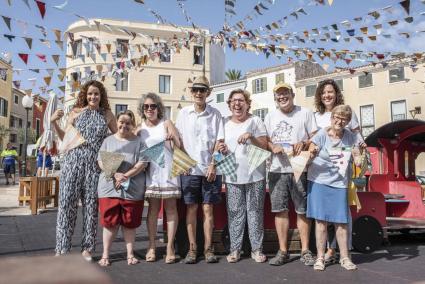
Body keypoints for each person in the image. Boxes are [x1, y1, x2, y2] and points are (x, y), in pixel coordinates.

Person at [51, 80, 117, 260]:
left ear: (101, 95)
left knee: (91, 207)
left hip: (94, 166)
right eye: (89, 94)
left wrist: (112, 166)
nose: (93, 97)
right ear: (85, 95)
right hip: (72, 163)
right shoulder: (75, 112)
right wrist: (54, 123)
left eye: (96, 93)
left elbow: (117, 139)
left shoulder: (108, 114)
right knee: (66, 206)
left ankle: (87, 248)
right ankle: (62, 249)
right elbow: (65, 138)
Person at [264, 82, 317, 266]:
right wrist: (272, 146)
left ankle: (305, 251)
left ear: (292, 94)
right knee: (280, 211)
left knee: (302, 211)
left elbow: (316, 137)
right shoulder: (270, 116)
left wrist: (304, 142)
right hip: (276, 170)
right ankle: (283, 251)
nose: (282, 97)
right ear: (275, 98)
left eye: (285, 93)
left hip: (299, 168)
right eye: (279, 94)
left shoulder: (305, 113)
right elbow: (266, 140)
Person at [313, 79, 365, 264]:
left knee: (342, 215)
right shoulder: (316, 116)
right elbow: (312, 142)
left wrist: (359, 150)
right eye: (324, 92)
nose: (327, 95)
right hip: (320, 173)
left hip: (343, 171)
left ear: (336, 94)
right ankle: (328, 250)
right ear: (320, 96)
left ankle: (340, 250)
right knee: (323, 216)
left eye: (330, 92)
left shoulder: (349, 113)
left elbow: (358, 138)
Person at [175, 76, 224, 264]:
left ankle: (209, 249)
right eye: (195, 89)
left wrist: (214, 164)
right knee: (191, 209)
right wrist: (182, 163)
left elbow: (220, 143)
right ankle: (192, 249)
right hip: (189, 170)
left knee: (208, 209)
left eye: (202, 90)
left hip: (210, 170)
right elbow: (177, 141)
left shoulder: (216, 114)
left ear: (208, 93)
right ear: (191, 92)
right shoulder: (183, 114)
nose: (198, 93)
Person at [307, 105, 361, 271]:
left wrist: (358, 157)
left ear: (347, 121)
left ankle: (345, 258)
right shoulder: (322, 134)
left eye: (344, 119)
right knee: (321, 221)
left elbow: (357, 151)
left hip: (339, 183)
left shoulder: (351, 136)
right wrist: (313, 152)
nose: (339, 121)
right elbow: (310, 150)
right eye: (337, 117)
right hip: (319, 181)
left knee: (341, 222)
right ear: (331, 118)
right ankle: (320, 258)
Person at [218, 89, 268, 263]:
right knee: (235, 213)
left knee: (255, 212)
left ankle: (257, 249)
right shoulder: (223, 123)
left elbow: (264, 146)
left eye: (241, 100)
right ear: (229, 104)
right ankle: (235, 249)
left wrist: (251, 136)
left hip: (256, 174)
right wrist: (221, 149)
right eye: (233, 101)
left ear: (247, 104)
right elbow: (218, 146)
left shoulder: (256, 121)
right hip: (232, 174)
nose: (237, 104)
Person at [97, 110, 147, 266]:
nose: (124, 125)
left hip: (132, 189)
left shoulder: (139, 142)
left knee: (129, 222)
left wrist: (126, 176)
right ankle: (105, 255)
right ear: (117, 122)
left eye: (128, 123)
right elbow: (100, 161)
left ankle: (130, 255)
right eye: (121, 122)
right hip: (109, 188)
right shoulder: (108, 140)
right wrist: (115, 174)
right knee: (109, 222)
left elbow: (142, 162)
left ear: (132, 125)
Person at [137, 93, 182, 264]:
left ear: (159, 108)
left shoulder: (167, 123)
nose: (149, 109)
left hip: (169, 170)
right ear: (143, 109)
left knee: (171, 209)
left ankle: (170, 246)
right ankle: (151, 246)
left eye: (153, 106)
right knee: (153, 211)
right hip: (151, 173)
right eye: (146, 106)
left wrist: (173, 138)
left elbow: (180, 145)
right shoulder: (139, 128)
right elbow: (129, 144)